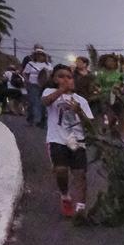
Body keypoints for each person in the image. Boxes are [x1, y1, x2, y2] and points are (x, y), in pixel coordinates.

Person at [43, 64, 94, 217]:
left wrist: (79, 111)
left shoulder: (81, 100)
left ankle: (80, 208)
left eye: (69, 77)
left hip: (77, 140)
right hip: (57, 139)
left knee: (80, 173)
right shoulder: (50, 92)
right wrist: (61, 91)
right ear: (54, 79)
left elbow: (90, 124)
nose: (65, 79)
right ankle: (65, 196)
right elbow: (45, 102)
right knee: (61, 170)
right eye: (61, 76)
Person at [23, 45, 53, 127]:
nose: (39, 56)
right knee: (33, 102)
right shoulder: (30, 64)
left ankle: (41, 120)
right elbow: (25, 73)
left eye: (41, 55)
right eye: (37, 54)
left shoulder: (48, 65)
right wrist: (27, 80)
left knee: (42, 103)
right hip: (33, 85)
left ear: (44, 56)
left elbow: (50, 75)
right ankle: (32, 119)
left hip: (44, 86)